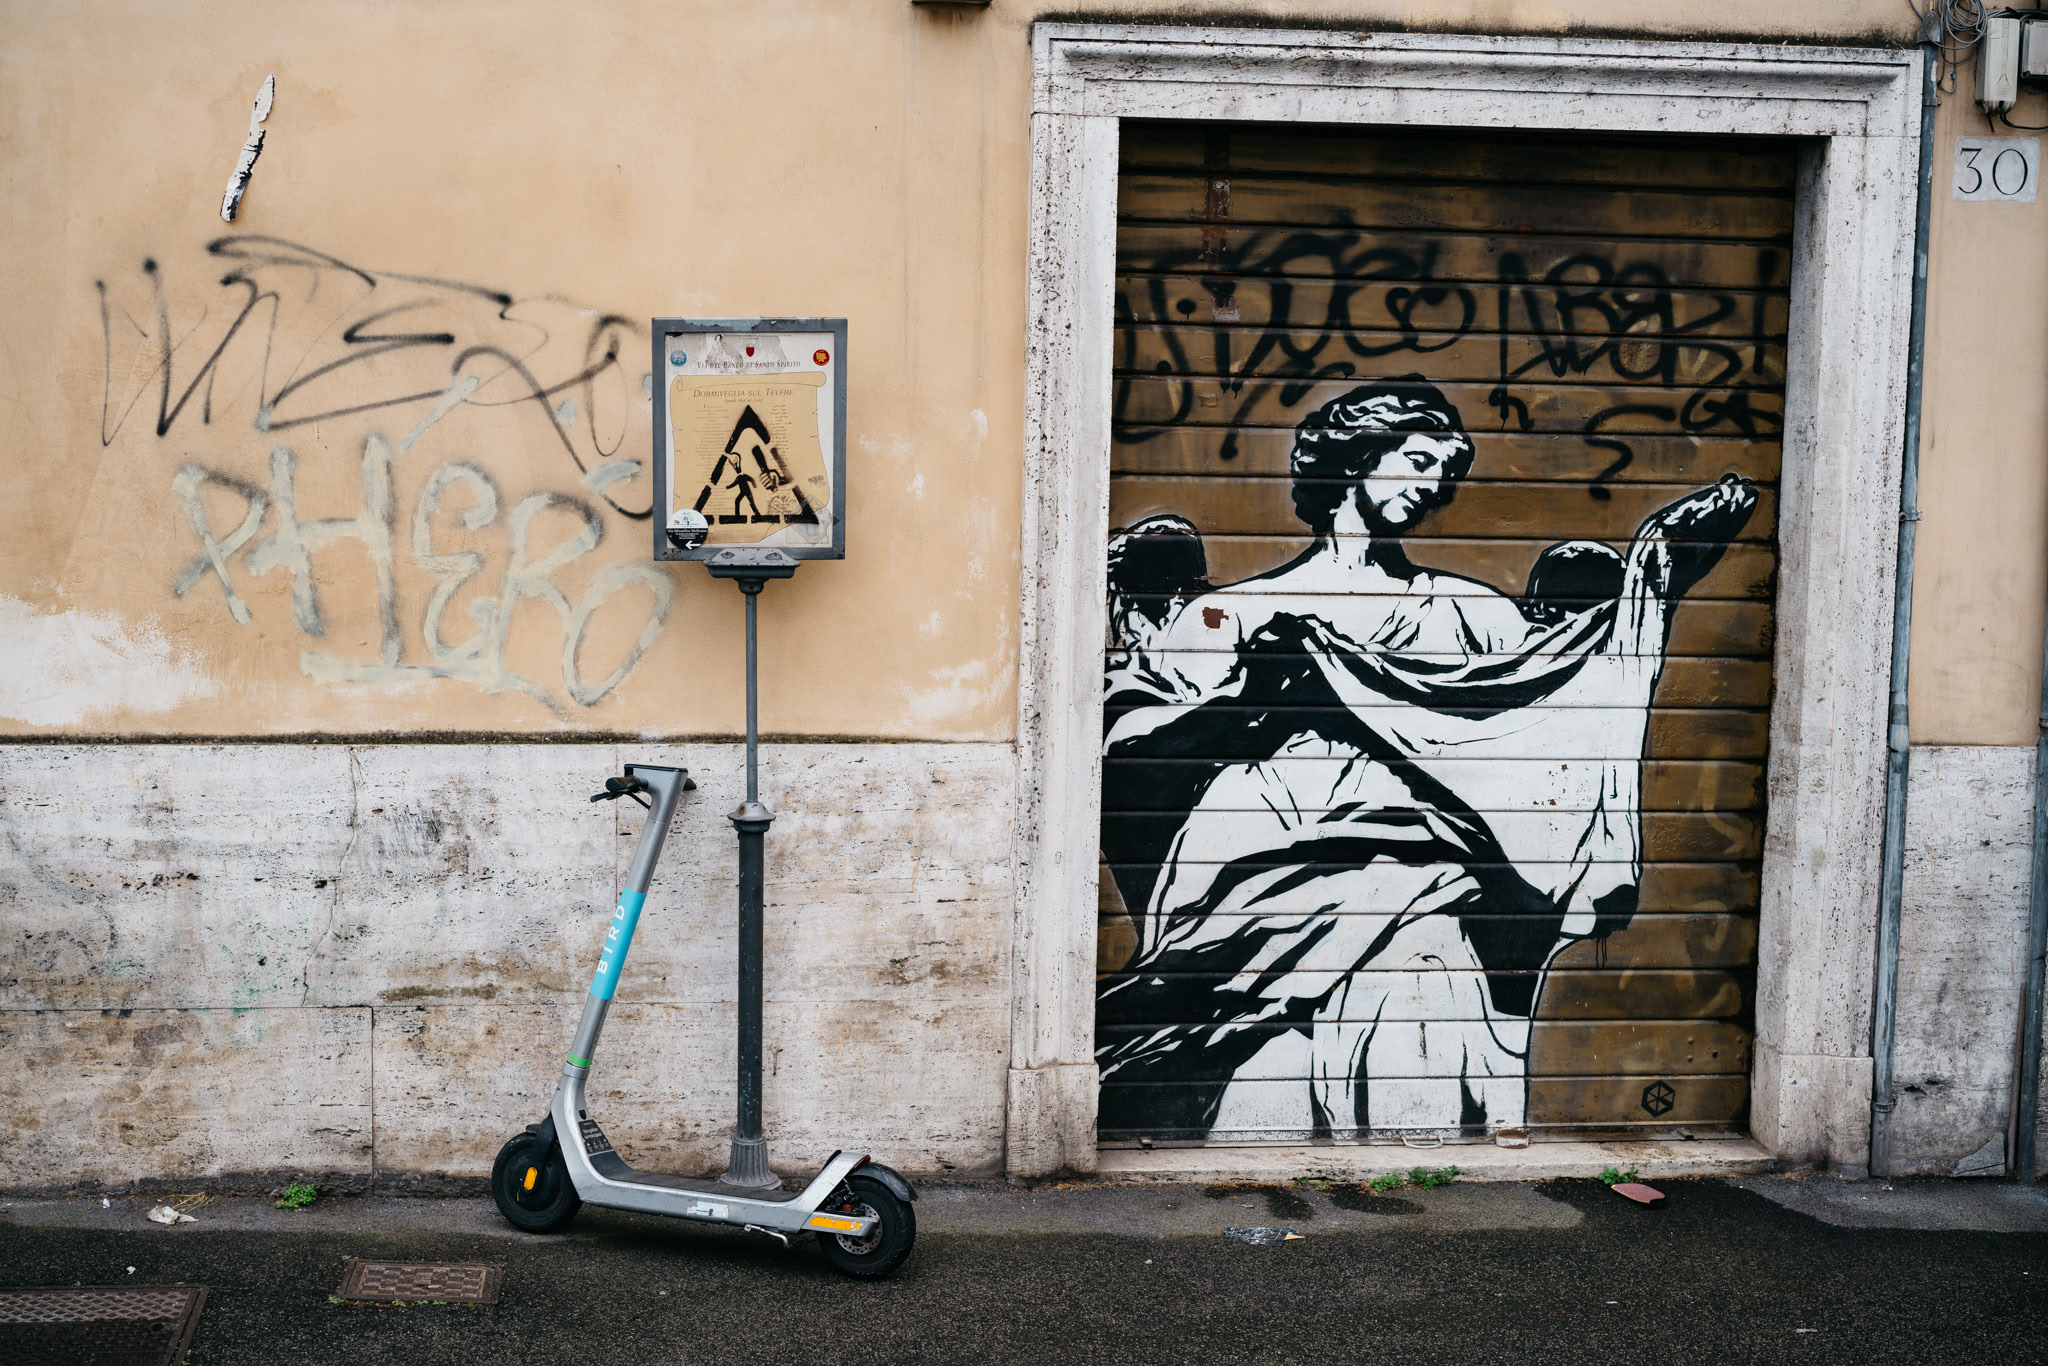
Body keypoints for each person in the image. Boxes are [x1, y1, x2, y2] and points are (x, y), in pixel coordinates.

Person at [1096, 376, 1756, 1140]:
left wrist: (1648, 588)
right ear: (1357, 458)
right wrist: (1256, 700)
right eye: (1416, 461)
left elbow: (1551, 730)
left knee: (1423, 1021)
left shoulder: (1473, 613)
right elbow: (1140, 762)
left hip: (1436, 897)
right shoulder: (1234, 616)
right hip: (1256, 885)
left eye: (1443, 471)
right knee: (1261, 1083)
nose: (1434, 485)